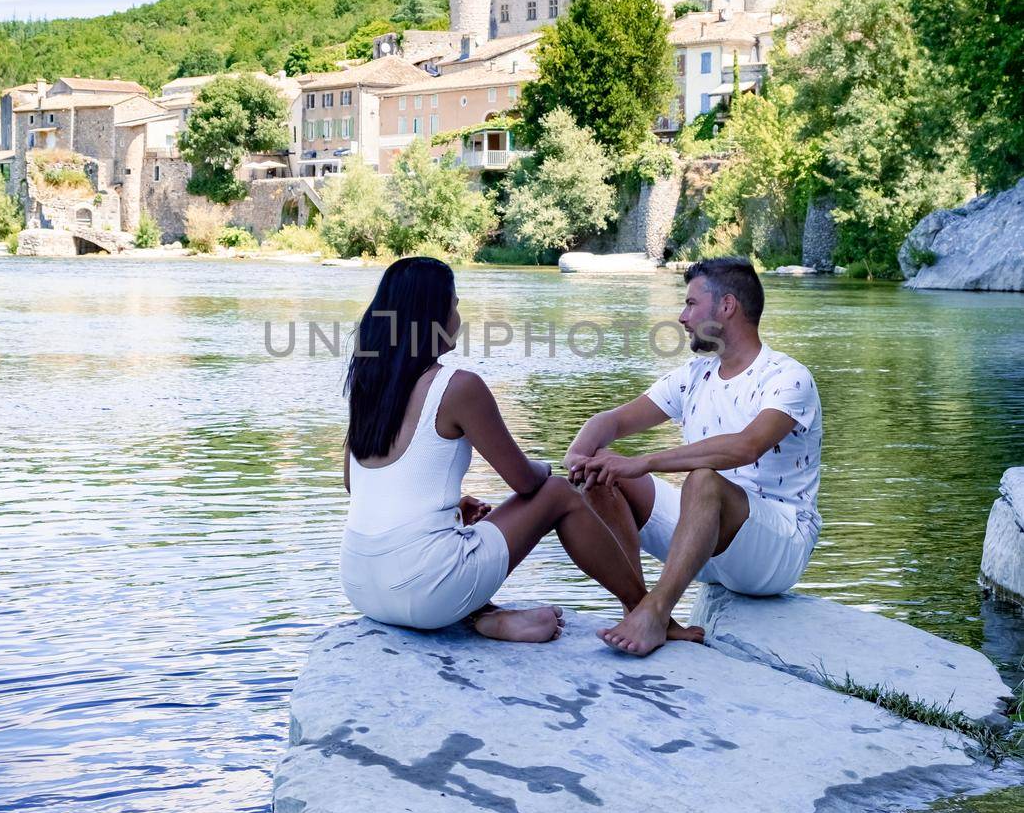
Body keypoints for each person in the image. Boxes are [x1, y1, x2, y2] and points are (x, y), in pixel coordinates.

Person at [340, 256, 650, 643]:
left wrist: (449, 509)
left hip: (360, 585)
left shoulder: (368, 383)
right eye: (454, 304)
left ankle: (482, 617)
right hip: (421, 590)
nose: (458, 314)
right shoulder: (458, 386)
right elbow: (523, 480)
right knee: (557, 492)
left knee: (451, 540)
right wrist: (545, 467)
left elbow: (356, 484)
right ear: (433, 315)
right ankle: (649, 613)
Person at [565, 256, 823, 657]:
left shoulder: (787, 376)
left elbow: (746, 446)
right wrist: (580, 455)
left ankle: (654, 611)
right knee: (604, 473)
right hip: (702, 536)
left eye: (690, 304)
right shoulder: (693, 375)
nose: (682, 317)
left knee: (703, 480)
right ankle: (647, 612)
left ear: (727, 306)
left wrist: (645, 461)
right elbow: (612, 421)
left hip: (777, 545)